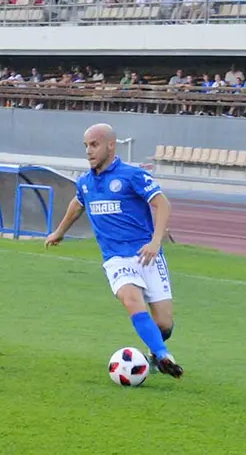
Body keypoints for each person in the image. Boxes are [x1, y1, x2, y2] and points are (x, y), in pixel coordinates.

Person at [44, 123, 183, 379]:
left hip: (147, 255)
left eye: (94, 144)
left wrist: (155, 242)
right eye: (86, 145)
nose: (88, 151)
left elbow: (162, 204)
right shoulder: (85, 182)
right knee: (132, 300)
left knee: (164, 323)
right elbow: (78, 204)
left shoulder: (132, 175)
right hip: (116, 259)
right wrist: (59, 231)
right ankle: (164, 356)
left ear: (110, 145)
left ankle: (155, 349)